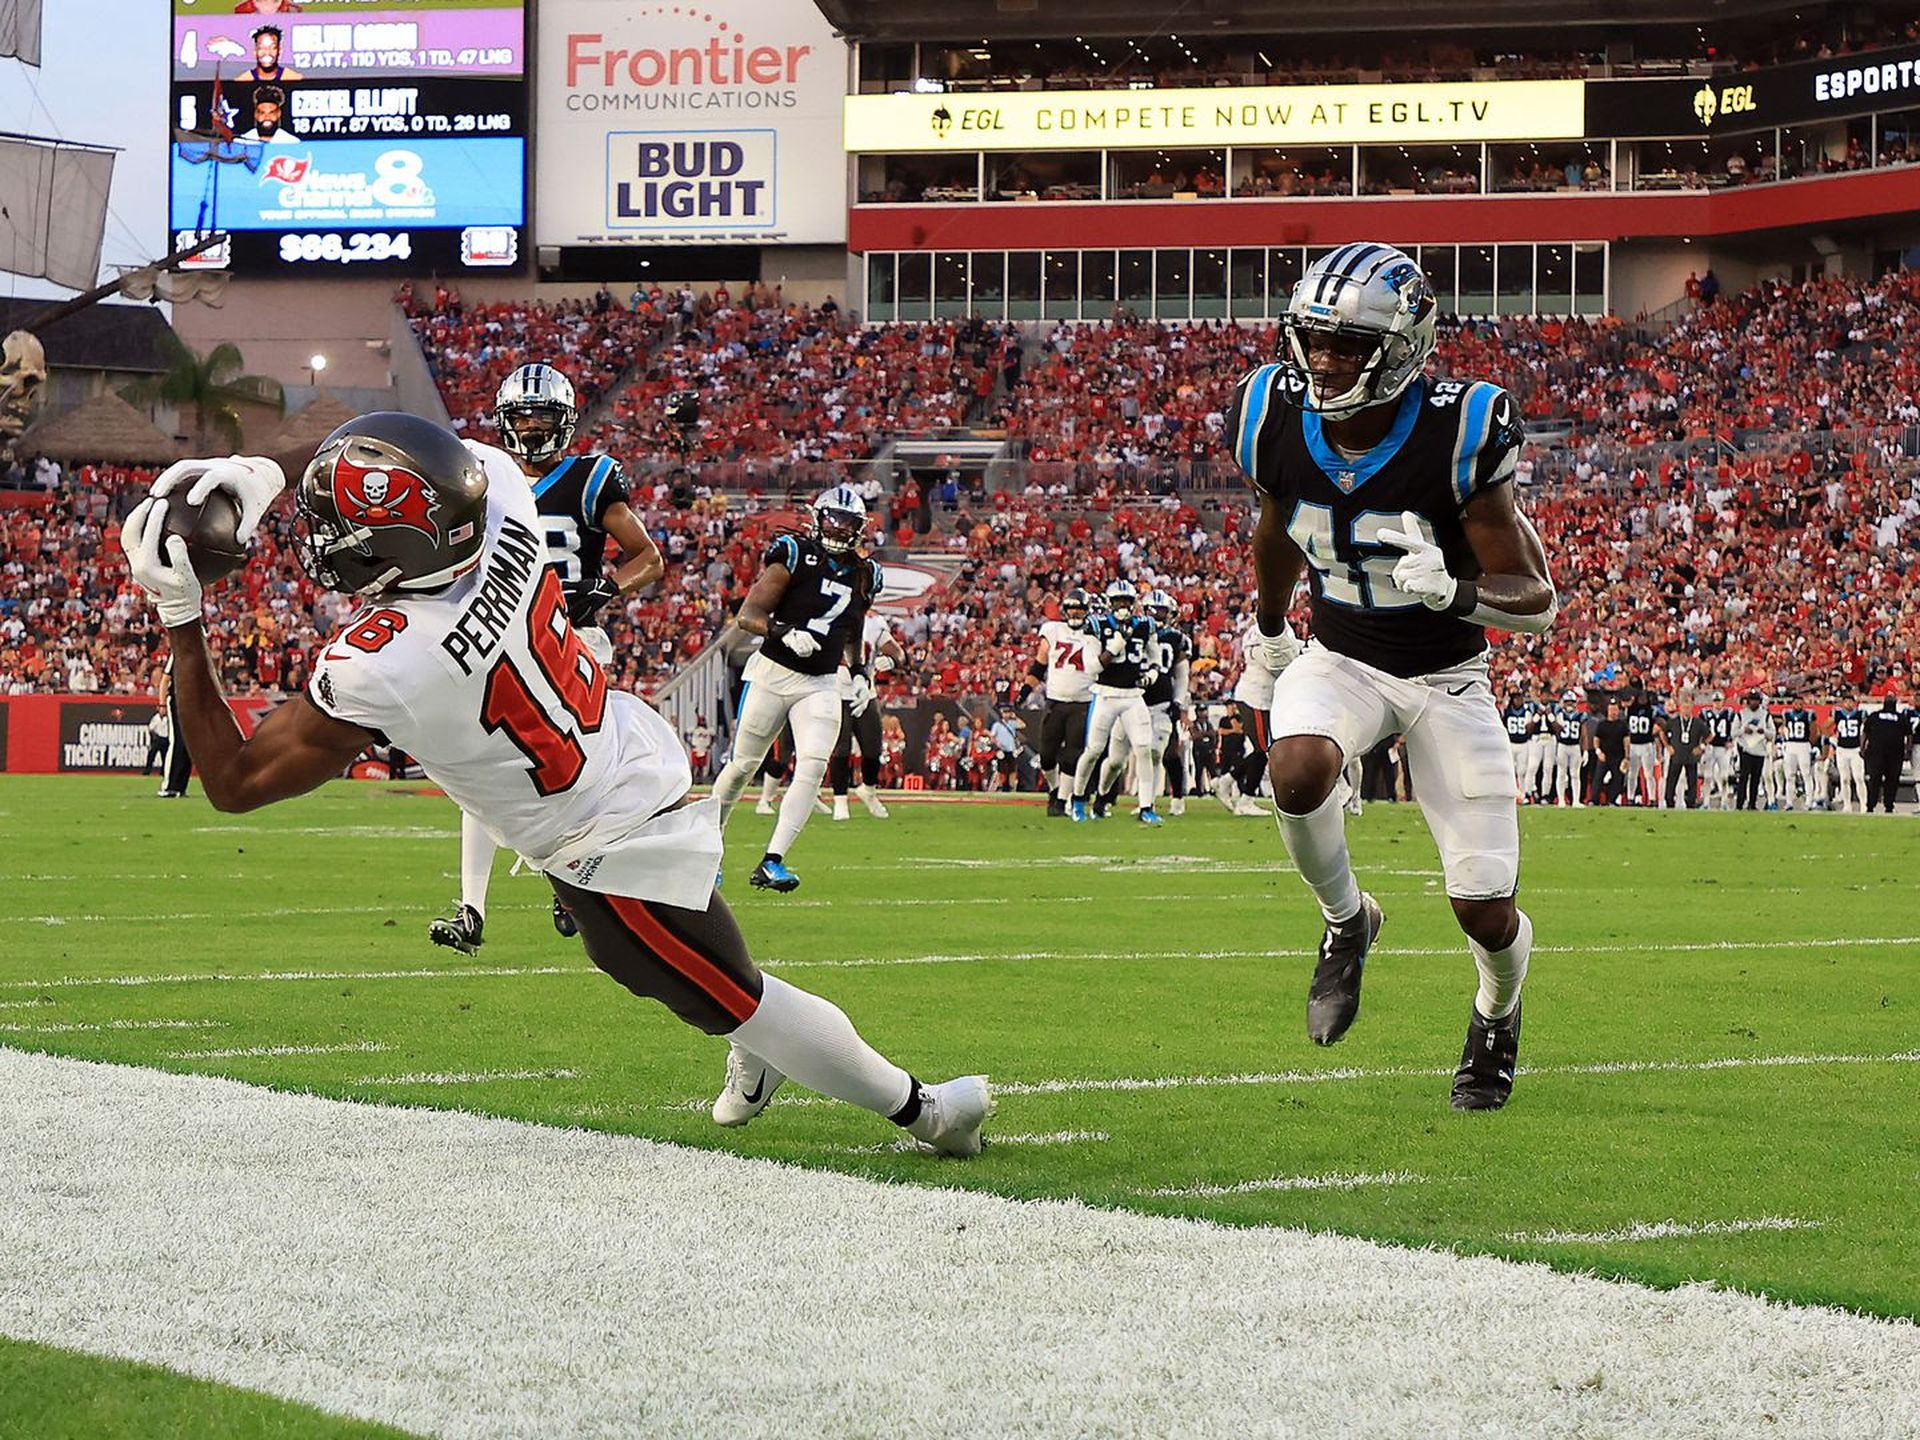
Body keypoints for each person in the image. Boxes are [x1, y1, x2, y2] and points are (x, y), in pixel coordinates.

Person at [117, 421, 991, 1156]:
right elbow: (410, 451)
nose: (317, 543)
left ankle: (927, 1111)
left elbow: (233, 783)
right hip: (607, 754)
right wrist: (268, 468)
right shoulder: (500, 497)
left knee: (727, 992)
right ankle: (756, 1047)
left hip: (605, 833)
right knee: (636, 967)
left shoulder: (388, 662)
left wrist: (182, 620)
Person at [1226, 241, 1556, 1112]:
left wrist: (1457, 591)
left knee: (1484, 908)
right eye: (1315, 340)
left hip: (1449, 676)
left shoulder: (1461, 430)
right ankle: (1346, 920)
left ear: (1404, 348)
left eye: (1348, 347)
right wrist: (1267, 635)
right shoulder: (1268, 410)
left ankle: (1498, 1009)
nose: (1325, 362)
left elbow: (1538, 601)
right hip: (1342, 658)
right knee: (1295, 769)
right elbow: (1274, 529)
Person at [430, 363, 665, 954]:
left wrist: (607, 588)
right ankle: (471, 908)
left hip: (571, 637)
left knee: (573, 771)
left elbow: (647, 557)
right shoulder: (481, 480)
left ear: (564, 422)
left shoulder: (589, 478)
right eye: (521, 417)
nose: (531, 428)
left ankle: (569, 883)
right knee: (476, 764)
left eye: (541, 417)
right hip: (498, 633)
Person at [709, 485, 881, 891]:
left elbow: (853, 627)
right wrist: (782, 631)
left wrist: (858, 671)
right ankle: (706, 847)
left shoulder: (866, 573)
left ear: (860, 528)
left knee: (814, 764)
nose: (838, 529)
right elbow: (747, 615)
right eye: (832, 520)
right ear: (817, 518)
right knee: (742, 767)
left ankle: (773, 860)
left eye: (847, 523)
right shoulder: (793, 554)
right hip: (772, 672)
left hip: (819, 681)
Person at [1071, 579, 1161, 825]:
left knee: (1143, 750)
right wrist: (1112, 649)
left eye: (1126, 601)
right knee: (1094, 751)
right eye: (1118, 601)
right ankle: (1078, 800)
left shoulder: (1145, 625)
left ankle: (1146, 806)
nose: (1122, 605)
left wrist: (1152, 673)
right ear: (1110, 604)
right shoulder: (1097, 625)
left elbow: (1155, 657)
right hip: (1105, 694)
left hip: (1133, 695)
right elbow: (1091, 667)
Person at [829, 611, 902, 821]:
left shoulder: (873, 622)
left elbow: (898, 652)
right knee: (840, 750)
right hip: (834, 691)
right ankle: (840, 800)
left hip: (865, 693)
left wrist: (892, 660)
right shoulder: (830, 613)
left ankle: (868, 790)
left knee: (873, 749)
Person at [1032, 587, 1097, 818]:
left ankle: (1061, 801)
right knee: (1047, 755)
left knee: (1072, 754)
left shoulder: (1095, 633)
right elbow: (1039, 664)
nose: (1076, 615)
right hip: (1055, 701)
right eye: (1072, 610)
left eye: (1080, 610)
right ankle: (1055, 789)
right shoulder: (1052, 630)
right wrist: (1024, 691)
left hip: (1082, 701)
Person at [1863, 693, 1908, 813]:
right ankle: (1872, 805)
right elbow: (1865, 732)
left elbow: (1909, 734)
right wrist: (1862, 747)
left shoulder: (1876, 716)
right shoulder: (1899, 717)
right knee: (1879, 780)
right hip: (1882, 753)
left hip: (1889, 754)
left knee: (1885, 780)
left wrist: (1863, 747)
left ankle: (1887, 806)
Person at [1660, 701, 1706, 809]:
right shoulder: (1674, 721)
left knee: (1691, 781)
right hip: (1677, 755)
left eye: (1688, 707)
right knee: (1671, 779)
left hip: (1691, 756)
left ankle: (1691, 802)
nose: (1686, 710)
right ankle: (1669, 801)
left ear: (1691, 708)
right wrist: (1667, 746)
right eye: (1684, 707)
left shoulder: (1697, 722)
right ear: (1680, 708)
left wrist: (1701, 747)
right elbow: (1662, 732)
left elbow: (1709, 735)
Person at [1778, 699, 1818, 810]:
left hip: (1803, 744)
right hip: (1791, 744)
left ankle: (1809, 801)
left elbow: (1814, 730)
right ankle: (1789, 802)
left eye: (1800, 703)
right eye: (1796, 703)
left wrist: (1810, 743)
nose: (1798, 705)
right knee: (1790, 775)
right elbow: (1784, 726)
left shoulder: (1808, 715)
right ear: (1792, 704)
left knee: (1806, 774)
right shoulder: (1786, 714)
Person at [1734, 691, 1771, 811]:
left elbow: (1773, 733)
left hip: (1759, 749)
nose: (1753, 702)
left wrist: (1764, 732)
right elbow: (1733, 732)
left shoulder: (1765, 715)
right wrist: (1743, 730)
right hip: (1746, 749)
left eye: (1756, 700)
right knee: (1744, 777)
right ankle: (1739, 803)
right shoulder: (1741, 714)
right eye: (1751, 700)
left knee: (1756, 778)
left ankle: (1752, 803)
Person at [1831, 698, 1868, 812]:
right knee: (1845, 778)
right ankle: (1847, 805)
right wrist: (1832, 738)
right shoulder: (1837, 713)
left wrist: (1864, 744)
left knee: (1859, 778)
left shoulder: (1860, 714)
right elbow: (1825, 726)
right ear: (1843, 703)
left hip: (1855, 749)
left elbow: (1867, 728)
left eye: (1851, 702)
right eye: (1846, 701)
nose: (1848, 704)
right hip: (1842, 749)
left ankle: (1863, 804)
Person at [1624, 690, 1660, 806]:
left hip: (1646, 744)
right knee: (1632, 774)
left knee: (1648, 774)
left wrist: (1654, 732)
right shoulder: (1630, 709)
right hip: (1634, 744)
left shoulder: (1651, 710)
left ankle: (1652, 798)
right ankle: (1630, 797)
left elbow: (1660, 723)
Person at [1550, 690, 1585, 807]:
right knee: (1561, 773)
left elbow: (1584, 733)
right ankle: (1561, 800)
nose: (1569, 704)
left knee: (1575, 774)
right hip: (1562, 745)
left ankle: (1576, 800)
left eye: (1572, 702)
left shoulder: (1580, 715)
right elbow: (1556, 730)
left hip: (1575, 746)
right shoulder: (1559, 714)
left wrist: (1584, 750)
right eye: (1567, 702)